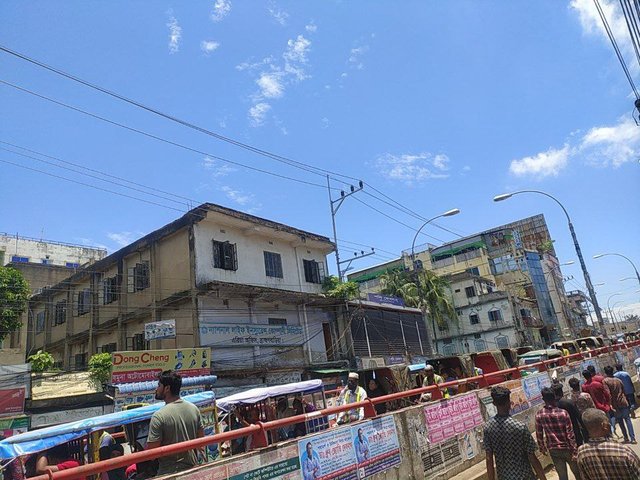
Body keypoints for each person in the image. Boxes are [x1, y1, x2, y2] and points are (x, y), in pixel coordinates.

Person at [146, 370, 204, 476]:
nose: (156, 389)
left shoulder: (158, 416)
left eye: (159, 385)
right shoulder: (194, 409)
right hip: (192, 471)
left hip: (169, 474)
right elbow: (201, 442)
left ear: (167, 388)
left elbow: (152, 454)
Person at [483, 385, 547, 480]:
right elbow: (532, 458)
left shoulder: (488, 428)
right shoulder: (520, 427)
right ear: (509, 403)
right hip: (525, 476)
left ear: (494, 403)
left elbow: (489, 459)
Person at [576, 408, 640, 479]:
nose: (609, 423)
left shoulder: (581, 453)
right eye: (607, 421)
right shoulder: (623, 451)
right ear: (604, 426)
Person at [535, 387, 579, 480]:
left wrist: (542, 448)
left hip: (553, 449)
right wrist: (574, 450)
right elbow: (570, 433)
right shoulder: (563, 413)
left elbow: (539, 434)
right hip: (567, 448)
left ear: (543, 399)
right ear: (554, 397)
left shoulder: (539, 414)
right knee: (578, 473)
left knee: (562, 476)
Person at [603, 365, 635, 443]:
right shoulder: (618, 380)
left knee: (620, 421)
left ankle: (626, 437)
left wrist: (610, 404)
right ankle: (633, 438)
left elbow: (608, 394)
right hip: (623, 402)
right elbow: (624, 391)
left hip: (615, 404)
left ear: (605, 372)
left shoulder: (605, 381)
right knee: (628, 420)